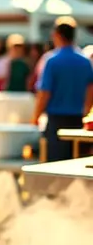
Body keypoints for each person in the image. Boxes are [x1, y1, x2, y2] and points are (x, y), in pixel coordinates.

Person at [32, 21, 93, 162]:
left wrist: (36, 117)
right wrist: (86, 111)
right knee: (76, 164)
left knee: (54, 166)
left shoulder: (51, 60)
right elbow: (91, 89)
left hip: (56, 122)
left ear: (57, 35)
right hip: (78, 121)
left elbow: (44, 93)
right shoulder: (84, 61)